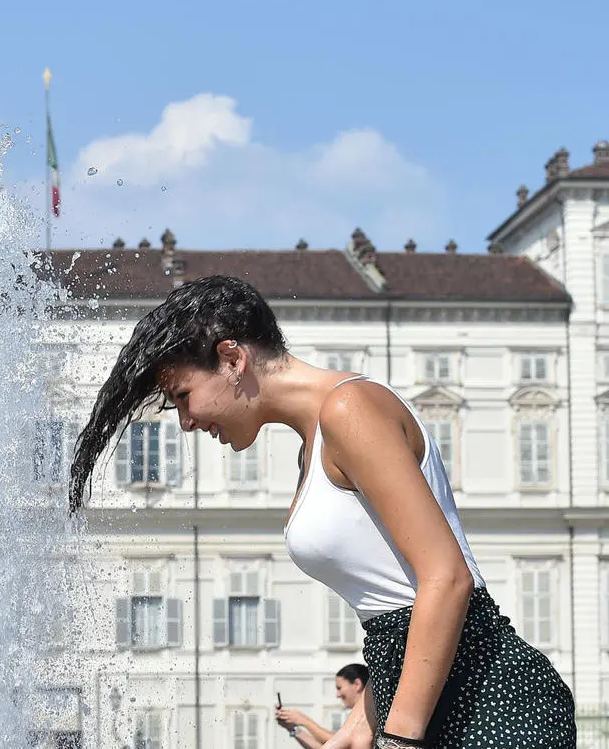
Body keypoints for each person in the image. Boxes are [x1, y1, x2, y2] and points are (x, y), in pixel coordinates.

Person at [68, 275, 576, 749]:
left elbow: (447, 580)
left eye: (183, 396)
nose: (185, 422)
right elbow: (394, 604)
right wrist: (358, 726)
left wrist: (398, 738)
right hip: (439, 700)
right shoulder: (314, 440)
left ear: (231, 359)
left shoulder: (347, 409)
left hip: (492, 704)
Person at [276, 664, 371, 748]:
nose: (337, 694)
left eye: (339, 688)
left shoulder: (369, 713)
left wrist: (304, 720)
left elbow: (338, 741)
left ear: (357, 684)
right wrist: (292, 728)